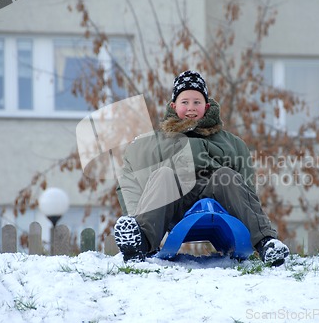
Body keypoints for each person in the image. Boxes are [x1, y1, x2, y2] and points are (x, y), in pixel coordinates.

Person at [114, 70, 289, 266]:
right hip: (174, 202)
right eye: (185, 102)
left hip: (217, 198)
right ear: (173, 106)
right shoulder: (154, 142)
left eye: (197, 102)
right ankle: (140, 243)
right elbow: (129, 179)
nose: (191, 108)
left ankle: (266, 243)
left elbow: (246, 184)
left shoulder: (231, 143)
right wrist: (133, 216)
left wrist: (245, 210)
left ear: (206, 106)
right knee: (163, 174)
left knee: (226, 175)